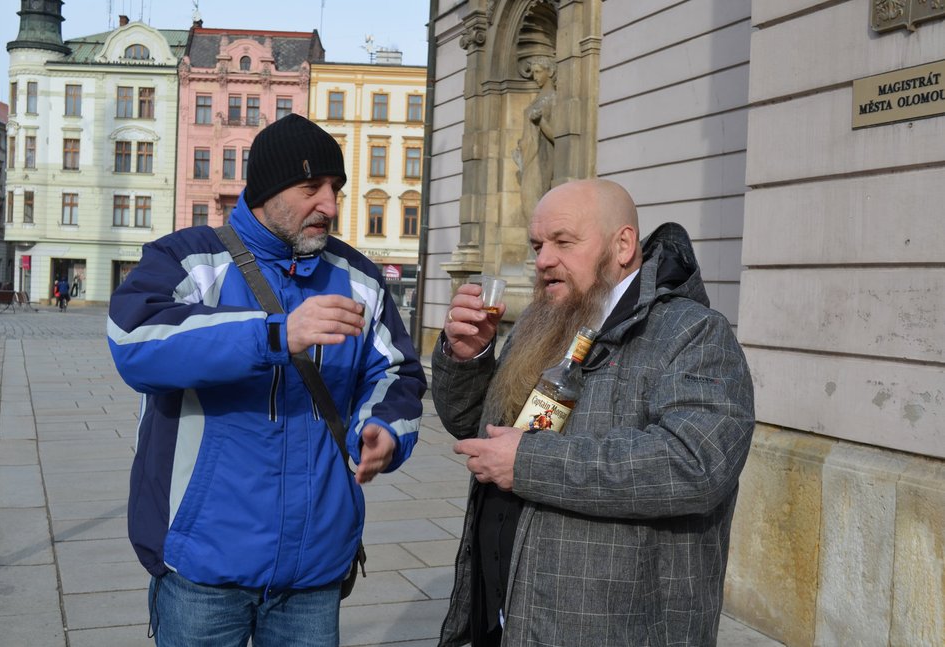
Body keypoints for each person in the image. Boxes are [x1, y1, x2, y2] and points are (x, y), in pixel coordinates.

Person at [107, 113, 427, 646]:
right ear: (266, 191)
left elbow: (397, 372)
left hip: (315, 569)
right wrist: (274, 334)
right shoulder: (187, 258)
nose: (329, 203)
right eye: (311, 187)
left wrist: (384, 429)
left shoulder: (359, 277)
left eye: (335, 188)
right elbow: (132, 342)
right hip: (203, 567)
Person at [433, 179, 755, 647]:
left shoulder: (692, 333)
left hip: (613, 627)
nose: (543, 260)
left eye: (563, 242)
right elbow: (481, 430)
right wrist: (467, 358)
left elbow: (694, 466)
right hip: (509, 613)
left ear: (623, 245)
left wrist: (528, 463)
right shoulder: (543, 320)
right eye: (538, 245)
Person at [512, 56, 556, 222]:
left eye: (538, 72)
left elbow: (557, 135)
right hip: (529, 158)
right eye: (533, 73)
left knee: (534, 209)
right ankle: (535, 247)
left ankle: (538, 247)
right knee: (528, 208)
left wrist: (541, 122)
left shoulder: (553, 97)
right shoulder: (539, 97)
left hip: (541, 161)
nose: (535, 77)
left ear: (550, 71)